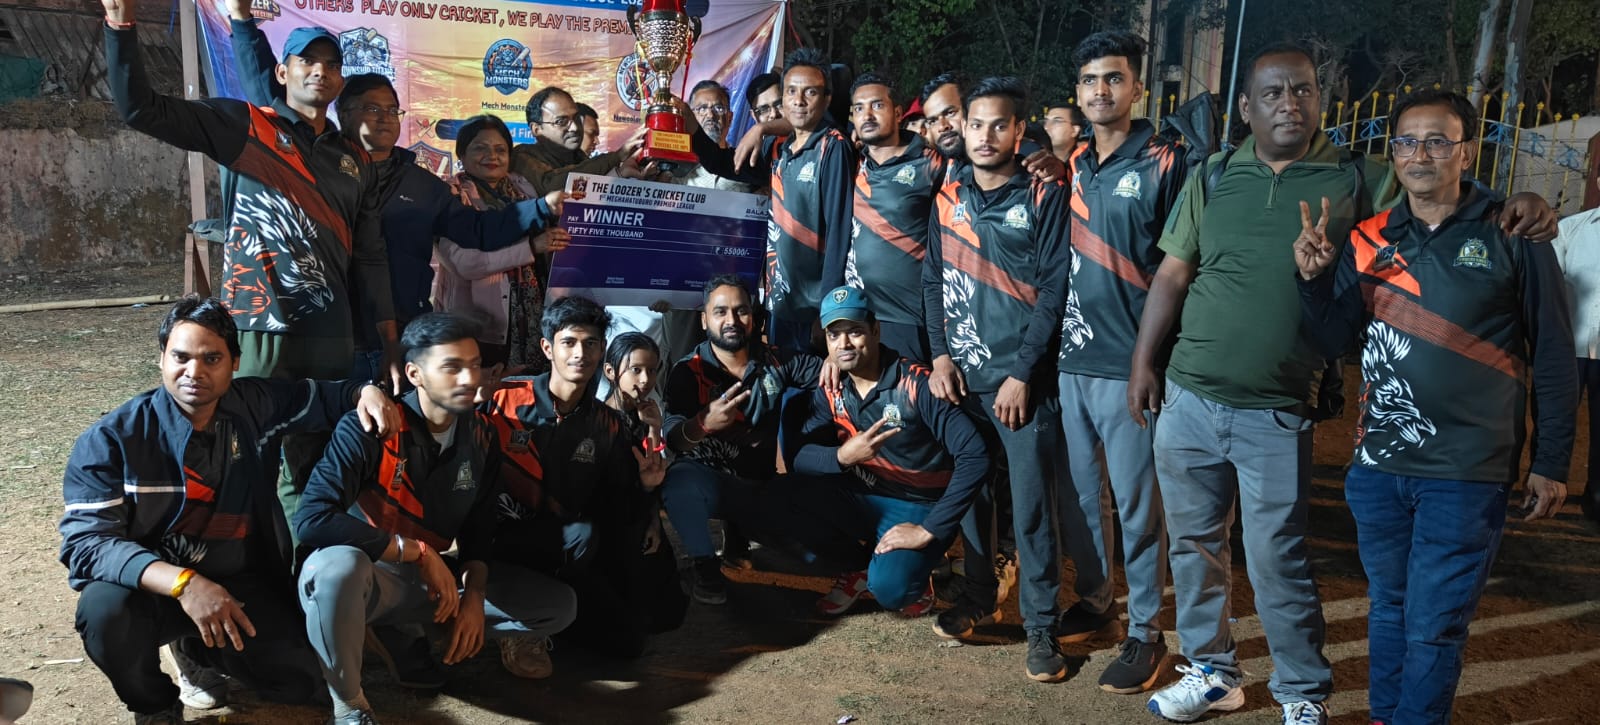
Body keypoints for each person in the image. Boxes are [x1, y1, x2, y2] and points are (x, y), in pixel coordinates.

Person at [1128, 44, 1558, 724]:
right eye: (1273, 93)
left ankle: (1301, 690)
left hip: (1280, 406)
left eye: (1302, 90)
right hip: (1190, 395)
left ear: (1320, 100)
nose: (1289, 104)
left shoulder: (1361, 176)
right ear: (1246, 106)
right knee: (1194, 545)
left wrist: (1523, 205)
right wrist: (1144, 362)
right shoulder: (1213, 175)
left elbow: (1439, 192)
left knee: (1277, 557)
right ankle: (1213, 671)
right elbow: (1175, 272)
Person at [1296, 89, 1575, 725]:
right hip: (1378, 467)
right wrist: (1312, 282)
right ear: (1392, 152)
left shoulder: (1512, 232)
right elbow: (1333, 341)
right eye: (1406, 141)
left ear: (1465, 152)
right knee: (1390, 609)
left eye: (1437, 141)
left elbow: (1555, 353)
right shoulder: (1368, 237)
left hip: (1467, 471)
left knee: (1434, 624)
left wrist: (1551, 460)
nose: (1420, 154)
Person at [102, 0, 400, 531]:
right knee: (250, 453)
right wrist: (121, 27)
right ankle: (252, 559)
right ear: (283, 73)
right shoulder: (245, 128)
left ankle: (309, 565)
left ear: (340, 81)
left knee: (315, 460)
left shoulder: (352, 159)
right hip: (260, 328)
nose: (321, 71)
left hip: (331, 333)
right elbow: (141, 109)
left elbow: (371, 255)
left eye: (332, 64)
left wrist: (389, 338)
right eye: (307, 61)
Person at [59, 296, 395, 725]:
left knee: (300, 682)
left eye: (211, 358)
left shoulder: (252, 405)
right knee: (104, 613)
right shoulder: (112, 439)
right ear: (161, 358)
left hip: (239, 583)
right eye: (180, 357)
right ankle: (155, 704)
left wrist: (366, 391)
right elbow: (87, 545)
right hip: (155, 589)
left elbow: (325, 397)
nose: (194, 372)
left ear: (235, 362)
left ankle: (196, 649)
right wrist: (185, 584)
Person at [223, 3, 564, 382]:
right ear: (343, 112)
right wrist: (243, 23)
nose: (384, 119)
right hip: (326, 332)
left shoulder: (423, 186)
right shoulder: (313, 163)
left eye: (392, 110)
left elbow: (478, 231)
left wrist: (540, 207)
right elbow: (269, 94)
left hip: (401, 337)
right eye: (371, 109)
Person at [293, 313, 578, 724]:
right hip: (370, 577)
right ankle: (350, 706)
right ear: (415, 374)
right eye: (451, 367)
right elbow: (312, 518)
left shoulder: (482, 435)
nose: (468, 378)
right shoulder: (372, 427)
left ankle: (406, 631)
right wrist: (417, 552)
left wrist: (474, 596)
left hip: (424, 585)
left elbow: (479, 533)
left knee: (556, 607)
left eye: (474, 365)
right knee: (337, 568)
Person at [920, 77, 1073, 684]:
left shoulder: (1042, 193)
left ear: (1019, 131)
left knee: (1032, 508)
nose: (985, 136)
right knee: (972, 499)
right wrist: (940, 357)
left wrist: (1022, 373)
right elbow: (933, 280)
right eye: (976, 124)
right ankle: (980, 597)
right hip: (961, 378)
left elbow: (1055, 289)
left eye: (999, 125)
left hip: (1019, 383)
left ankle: (1042, 627)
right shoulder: (948, 192)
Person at [1051, 31, 1186, 695]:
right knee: (1081, 499)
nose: (1100, 90)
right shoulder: (1072, 160)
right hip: (1070, 360)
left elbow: (1181, 266)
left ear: (1137, 87)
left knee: (1138, 506)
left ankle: (1146, 631)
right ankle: (1098, 601)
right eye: (1089, 80)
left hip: (1130, 364)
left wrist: (1152, 360)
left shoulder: (1166, 161)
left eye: (1113, 78)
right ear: (1076, 93)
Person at [746, 286, 987, 618]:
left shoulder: (916, 385)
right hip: (862, 495)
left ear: (875, 330)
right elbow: (800, 457)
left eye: (855, 331)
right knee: (768, 501)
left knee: (891, 590)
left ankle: (914, 572)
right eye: (834, 335)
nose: (844, 344)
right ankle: (858, 567)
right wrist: (843, 457)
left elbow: (975, 455)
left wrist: (929, 529)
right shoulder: (833, 387)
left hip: (916, 504)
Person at [484, 298, 679, 659]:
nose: (580, 353)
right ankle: (519, 626)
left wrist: (646, 487)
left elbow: (617, 502)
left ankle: (549, 612)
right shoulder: (501, 398)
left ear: (602, 350)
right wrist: (372, 393)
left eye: (590, 343)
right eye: (569, 342)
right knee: (580, 535)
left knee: (626, 645)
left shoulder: (607, 425)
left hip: (558, 550)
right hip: (489, 542)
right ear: (548, 348)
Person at [659, 274, 824, 604]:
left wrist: (835, 362)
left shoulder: (776, 359)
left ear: (753, 315)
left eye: (741, 310)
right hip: (712, 487)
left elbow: (831, 373)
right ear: (704, 320)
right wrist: (702, 424)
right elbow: (674, 442)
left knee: (815, 555)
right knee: (679, 482)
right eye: (720, 312)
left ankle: (741, 531)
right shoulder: (687, 370)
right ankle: (706, 566)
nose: (732, 320)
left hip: (761, 488)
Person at [691, 49, 855, 355]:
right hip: (780, 302)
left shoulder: (833, 145)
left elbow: (839, 232)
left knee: (816, 381)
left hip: (814, 306)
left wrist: (830, 308)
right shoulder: (779, 148)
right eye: (791, 91)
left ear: (826, 99)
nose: (799, 101)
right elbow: (722, 163)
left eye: (810, 92)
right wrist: (689, 124)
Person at [433, 115, 573, 373]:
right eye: (480, 148)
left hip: (532, 320)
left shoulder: (524, 188)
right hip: (477, 327)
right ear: (461, 154)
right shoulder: (450, 194)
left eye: (500, 150)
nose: (492, 156)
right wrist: (531, 248)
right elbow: (466, 264)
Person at [843, 72, 941, 364]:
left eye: (877, 105)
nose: (867, 115)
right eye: (859, 108)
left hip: (908, 317)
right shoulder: (850, 163)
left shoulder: (930, 163)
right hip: (857, 314)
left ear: (898, 113)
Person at [1553, 206, 1600, 522]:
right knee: (1554, 421)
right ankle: (1542, 487)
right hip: (1567, 346)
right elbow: (1550, 285)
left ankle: (1596, 500)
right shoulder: (1570, 229)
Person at [513, 86, 646, 195]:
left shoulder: (581, 159)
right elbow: (551, 185)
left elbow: (592, 196)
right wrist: (617, 156)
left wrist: (623, 173)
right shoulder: (522, 156)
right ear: (537, 129)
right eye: (561, 121)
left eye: (576, 118)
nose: (575, 128)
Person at [682, 80, 758, 192]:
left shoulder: (745, 162)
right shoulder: (678, 164)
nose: (710, 115)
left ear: (730, 118)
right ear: (691, 118)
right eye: (702, 108)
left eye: (719, 108)